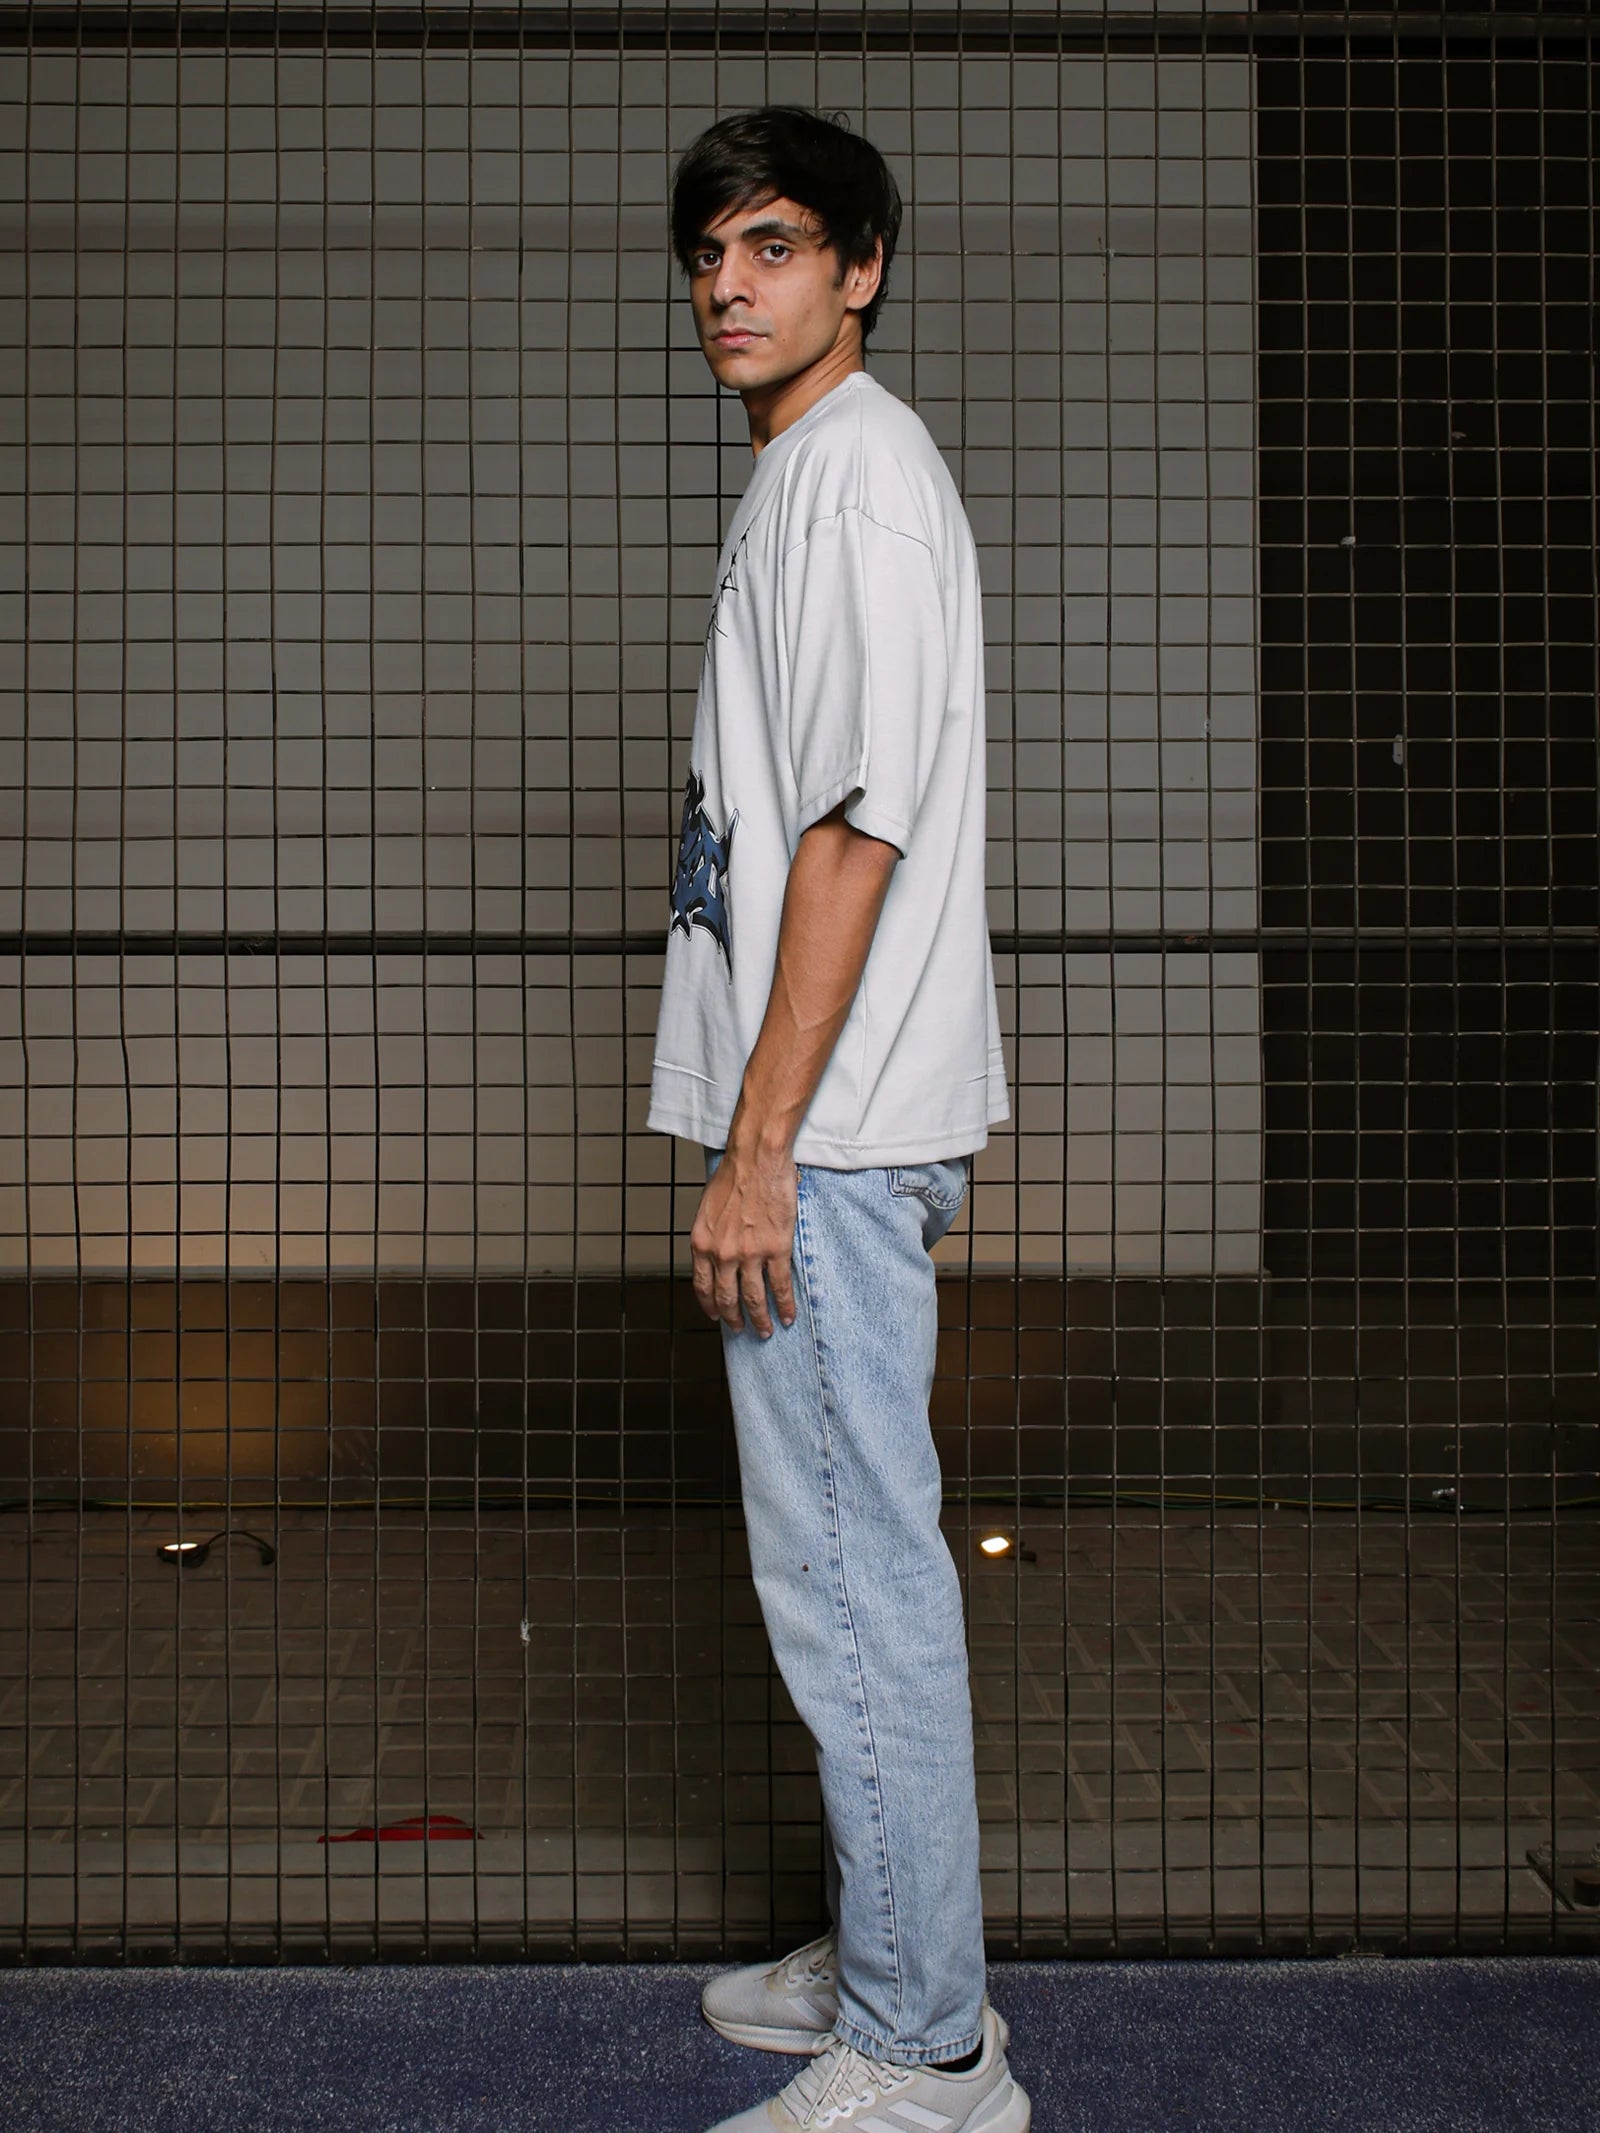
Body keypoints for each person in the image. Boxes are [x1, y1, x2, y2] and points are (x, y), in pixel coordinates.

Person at [648, 106, 1026, 2133]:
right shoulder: (806, 476)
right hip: (834, 1124)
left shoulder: (855, 485)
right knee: (837, 1572)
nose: (730, 284)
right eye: (709, 253)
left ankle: (926, 2049)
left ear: (860, 264)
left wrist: (761, 1141)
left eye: (775, 246)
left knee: (859, 1580)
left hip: (837, 1141)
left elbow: (852, 833)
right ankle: (888, 1945)